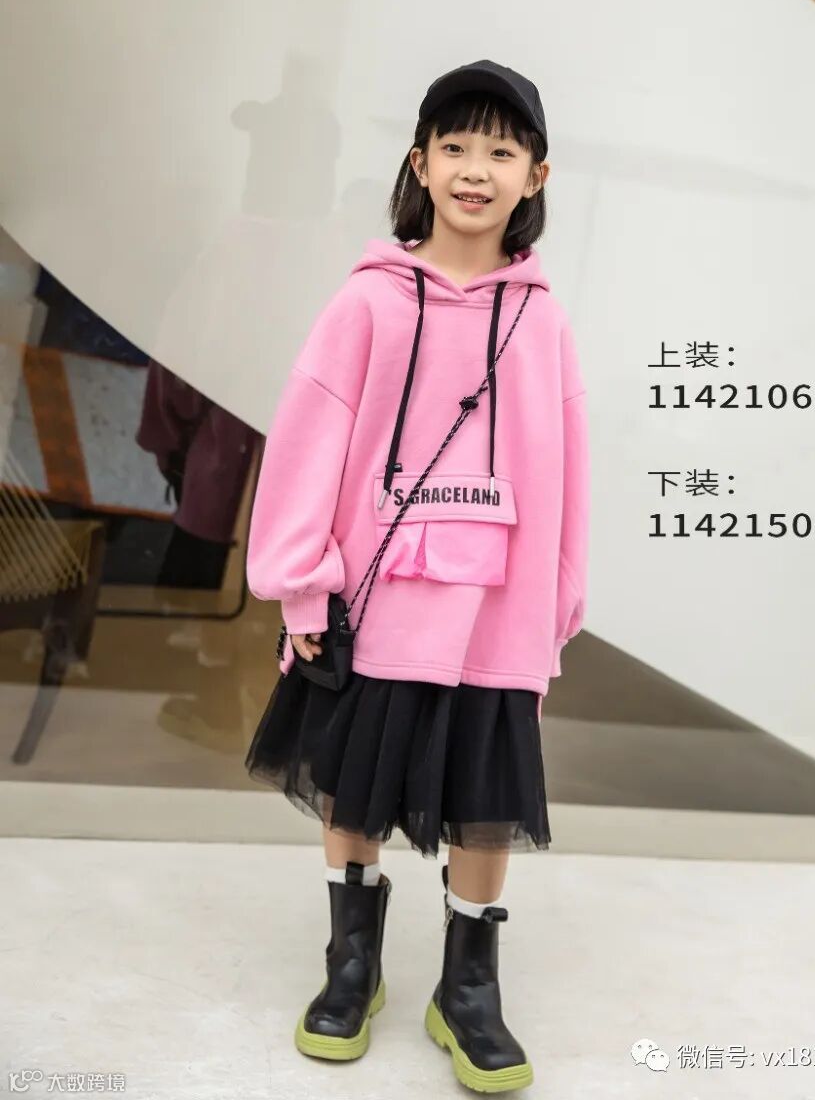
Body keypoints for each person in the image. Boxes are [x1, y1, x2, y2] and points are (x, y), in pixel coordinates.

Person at [243, 59, 591, 1092]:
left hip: (496, 606)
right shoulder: (369, 303)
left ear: (536, 175)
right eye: (455, 146)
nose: (475, 169)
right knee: (355, 785)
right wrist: (302, 582)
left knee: (485, 796)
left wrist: (556, 601)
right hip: (378, 595)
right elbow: (308, 441)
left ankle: (468, 987)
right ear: (420, 163)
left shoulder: (541, 320)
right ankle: (351, 963)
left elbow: (566, 469)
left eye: (501, 150)